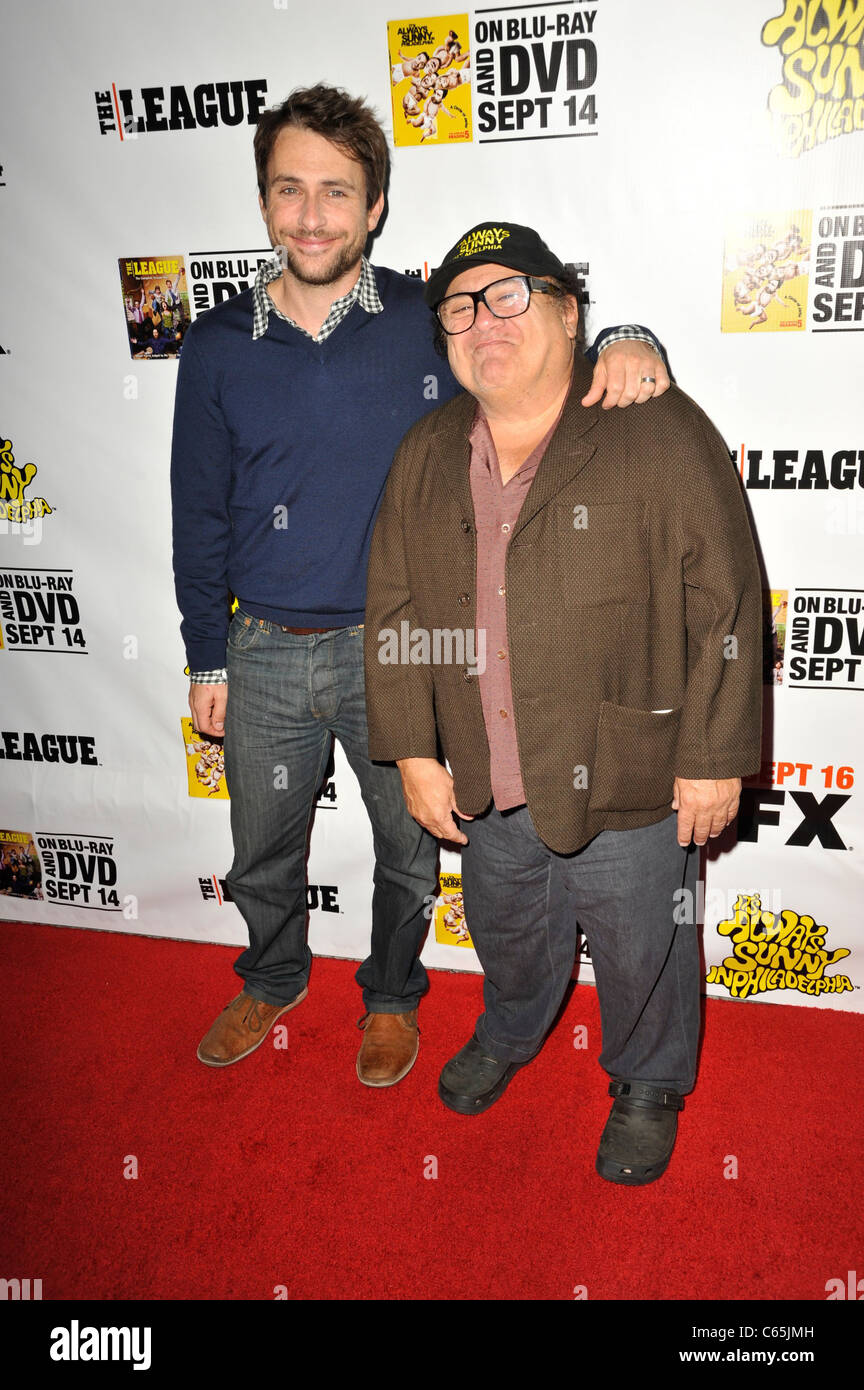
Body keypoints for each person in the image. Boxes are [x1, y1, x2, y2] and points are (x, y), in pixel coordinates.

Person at [170, 88, 670, 1090]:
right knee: (260, 845)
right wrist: (206, 649)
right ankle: (271, 974)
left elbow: (533, 346)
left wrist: (633, 336)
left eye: (337, 193)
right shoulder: (217, 344)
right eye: (290, 191)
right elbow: (200, 506)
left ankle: (393, 996)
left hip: (407, 648)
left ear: (376, 206)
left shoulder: (421, 317)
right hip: (262, 645)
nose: (312, 215)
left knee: (408, 849)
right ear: (266, 203)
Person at [363, 221, 761, 1179]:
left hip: (630, 770)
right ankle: (510, 1029)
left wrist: (711, 755)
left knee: (644, 950)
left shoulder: (655, 426)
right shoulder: (425, 449)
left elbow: (730, 600)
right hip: (485, 772)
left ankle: (649, 1079)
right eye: (460, 306)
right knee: (509, 930)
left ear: (569, 311)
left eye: (510, 296)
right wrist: (415, 752)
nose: (482, 321)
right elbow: (396, 607)